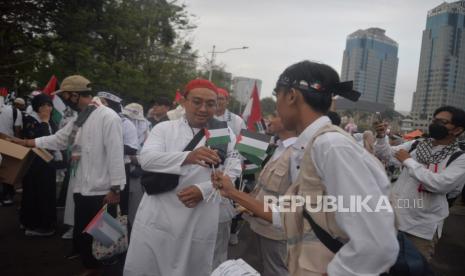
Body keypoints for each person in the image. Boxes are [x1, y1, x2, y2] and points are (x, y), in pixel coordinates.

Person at [213, 60, 399, 275]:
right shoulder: (311, 146)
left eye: (277, 97)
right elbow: (294, 214)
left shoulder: (331, 146)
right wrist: (232, 192)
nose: (276, 108)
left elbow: (377, 244)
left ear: (292, 96)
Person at [124, 79, 241, 276]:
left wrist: (203, 190)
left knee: (191, 266)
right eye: (196, 102)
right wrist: (188, 157)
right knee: (150, 265)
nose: (203, 109)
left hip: (200, 213)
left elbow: (233, 167)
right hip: (160, 212)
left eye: (210, 104)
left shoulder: (223, 132)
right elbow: (147, 160)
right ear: (184, 102)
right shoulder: (165, 129)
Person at [13, 75, 126, 275]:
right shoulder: (80, 118)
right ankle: (91, 266)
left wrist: (116, 188)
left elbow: (116, 154)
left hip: (102, 191)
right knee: (84, 233)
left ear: (74, 95)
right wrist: (27, 143)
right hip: (81, 188)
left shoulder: (108, 117)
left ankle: (108, 268)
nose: (64, 101)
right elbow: (59, 140)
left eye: (65, 96)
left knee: (105, 237)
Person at [374, 105, 465, 261]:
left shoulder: (459, 157)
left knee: (413, 268)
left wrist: (408, 161)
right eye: (434, 120)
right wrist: (381, 136)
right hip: (394, 220)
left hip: (421, 229)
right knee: (384, 264)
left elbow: (440, 184)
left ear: (457, 130)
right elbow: (385, 154)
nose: (435, 124)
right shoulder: (417, 145)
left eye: (442, 122)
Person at [243, 112, 296, 276]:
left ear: (290, 120)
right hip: (259, 226)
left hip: (277, 234)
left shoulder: (298, 154)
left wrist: (233, 193)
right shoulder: (279, 148)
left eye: (276, 116)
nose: (269, 120)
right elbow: (264, 188)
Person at [20, 94, 58, 236]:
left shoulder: (51, 121)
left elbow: (55, 140)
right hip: (33, 164)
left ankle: (46, 225)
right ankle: (30, 221)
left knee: (45, 193)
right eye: (43, 106)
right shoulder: (30, 120)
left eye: (49, 105)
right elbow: (37, 139)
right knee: (31, 192)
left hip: (47, 165)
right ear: (36, 107)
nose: (47, 108)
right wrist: (43, 122)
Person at [98, 91, 139, 217]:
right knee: (100, 203)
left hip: (120, 168)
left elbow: (132, 149)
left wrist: (110, 146)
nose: (99, 105)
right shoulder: (96, 121)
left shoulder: (126, 124)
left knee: (117, 207)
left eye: (103, 102)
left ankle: (117, 235)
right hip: (100, 167)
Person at [0, 93, 22, 206]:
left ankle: (6, 195)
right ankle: (7, 195)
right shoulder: (16, 112)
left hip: (4, 142)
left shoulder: (9, 110)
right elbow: (17, 130)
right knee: (8, 169)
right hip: (8, 143)